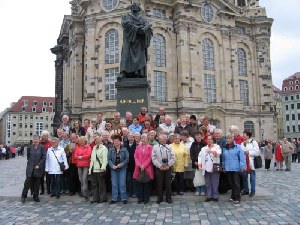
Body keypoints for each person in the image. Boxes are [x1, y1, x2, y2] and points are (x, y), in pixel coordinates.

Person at [119, 2, 153, 79]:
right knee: (126, 55)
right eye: (133, 6)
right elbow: (125, 23)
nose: (134, 6)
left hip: (139, 41)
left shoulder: (143, 18)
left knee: (140, 57)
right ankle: (123, 72)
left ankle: (139, 73)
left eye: (136, 5)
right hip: (129, 39)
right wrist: (138, 28)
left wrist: (145, 30)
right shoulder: (127, 16)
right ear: (131, 8)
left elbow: (148, 29)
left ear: (139, 8)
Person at [21, 135, 46, 203]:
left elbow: (44, 157)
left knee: (37, 183)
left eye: (36, 139)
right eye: (34, 139)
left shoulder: (42, 147)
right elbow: (28, 157)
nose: (35, 140)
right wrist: (31, 164)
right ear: (32, 140)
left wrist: (39, 164)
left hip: (38, 168)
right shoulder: (29, 147)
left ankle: (35, 196)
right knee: (27, 182)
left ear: (39, 140)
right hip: (30, 167)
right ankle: (23, 195)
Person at [222, 133, 245, 204]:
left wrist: (242, 166)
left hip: (236, 168)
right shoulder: (225, 148)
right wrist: (223, 167)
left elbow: (242, 158)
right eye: (227, 138)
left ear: (233, 139)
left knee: (236, 183)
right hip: (228, 168)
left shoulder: (238, 147)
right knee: (231, 183)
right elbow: (223, 158)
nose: (228, 140)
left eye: (229, 138)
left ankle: (237, 197)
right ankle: (232, 196)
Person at [152, 134, 175, 204]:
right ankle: (160, 198)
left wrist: (168, 165)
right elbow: (153, 158)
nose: (165, 140)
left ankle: (168, 198)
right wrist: (159, 166)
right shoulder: (155, 147)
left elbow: (173, 157)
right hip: (159, 168)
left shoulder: (169, 147)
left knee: (168, 183)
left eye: (166, 139)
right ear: (159, 140)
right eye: (164, 139)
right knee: (159, 183)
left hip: (168, 167)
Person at [198, 135, 222, 202]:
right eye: (207, 139)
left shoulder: (217, 147)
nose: (208, 140)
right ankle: (209, 196)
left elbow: (219, 153)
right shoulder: (203, 148)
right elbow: (199, 156)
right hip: (206, 168)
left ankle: (215, 196)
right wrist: (200, 164)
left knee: (215, 183)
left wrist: (211, 151)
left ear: (213, 140)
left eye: (210, 139)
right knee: (208, 183)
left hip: (214, 167)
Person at [108, 134, 129, 204]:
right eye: (114, 141)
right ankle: (114, 198)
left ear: (120, 142)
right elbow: (109, 159)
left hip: (122, 169)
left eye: (117, 141)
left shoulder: (124, 149)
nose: (116, 143)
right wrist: (112, 166)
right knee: (114, 184)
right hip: (114, 169)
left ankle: (124, 198)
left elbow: (127, 159)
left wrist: (121, 164)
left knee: (122, 183)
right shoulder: (111, 150)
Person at [133, 134, 154, 204]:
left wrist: (144, 165)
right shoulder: (138, 147)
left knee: (146, 184)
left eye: (145, 138)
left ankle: (146, 198)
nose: (143, 140)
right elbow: (135, 157)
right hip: (139, 168)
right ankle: (140, 198)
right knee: (139, 183)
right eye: (142, 138)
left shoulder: (150, 147)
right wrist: (139, 165)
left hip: (147, 168)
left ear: (147, 139)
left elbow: (150, 158)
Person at [89, 134, 108, 203]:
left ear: (101, 141)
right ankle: (95, 198)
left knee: (101, 185)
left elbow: (105, 159)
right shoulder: (94, 147)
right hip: (93, 169)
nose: (97, 142)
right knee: (94, 185)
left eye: (98, 140)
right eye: (96, 140)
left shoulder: (104, 148)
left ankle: (102, 198)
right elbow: (92, 159)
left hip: (100, 169)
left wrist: (103, 168)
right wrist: (90, 168)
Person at [241, 130, 260, 197]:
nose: (243, 136)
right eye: (243, 134)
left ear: (248, 135)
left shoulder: (253, 142)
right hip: (244, 163)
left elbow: (257, 152)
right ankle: (246, 190)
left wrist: (249, 152)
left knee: (252, 177)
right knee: (244, 177)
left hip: (251, 162)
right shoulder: (242, 143)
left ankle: (253, 191)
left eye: (244, 134)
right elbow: (241, 152)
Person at [75, 136, 92, 201]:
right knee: (80, 179)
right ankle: (83, 192)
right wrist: (79, 157)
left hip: (86, 165)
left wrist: (81, 157)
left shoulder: (88, 147)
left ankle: (85, 193)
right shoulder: (78, 147)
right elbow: (75, 155)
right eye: (80, 141)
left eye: (82, 141)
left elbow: (88, 155)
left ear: (85, 141)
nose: (81, 142)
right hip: (79, 165)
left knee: (84, 179)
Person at [40, 130, 52, 195]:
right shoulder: (39, 143)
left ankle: (48, 190)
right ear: (42, 136)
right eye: (44, 136)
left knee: (48, 176)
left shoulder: (50, 142)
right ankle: (42, 190)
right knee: (41, 176)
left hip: (48, 161)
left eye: (47, 136)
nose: (46, 137)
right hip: (41, 162)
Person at [125, 132, 137, 198]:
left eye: (132, 137)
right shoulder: (125, 145)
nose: (130, 138)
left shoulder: (136, 145)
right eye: (129, 137)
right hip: (127, 166)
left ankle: (135, 192)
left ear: (134, 138)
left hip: (135, 165)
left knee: (134, 180)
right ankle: (130, 192)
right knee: (128, 180)